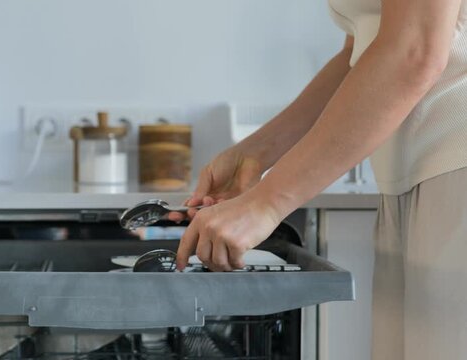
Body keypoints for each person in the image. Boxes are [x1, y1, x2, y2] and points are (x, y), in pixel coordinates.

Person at [172, 0, 467, 359]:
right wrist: (257, 152)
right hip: (412, 184)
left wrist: (266, 203)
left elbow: (414, 51)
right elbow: (359, 56)